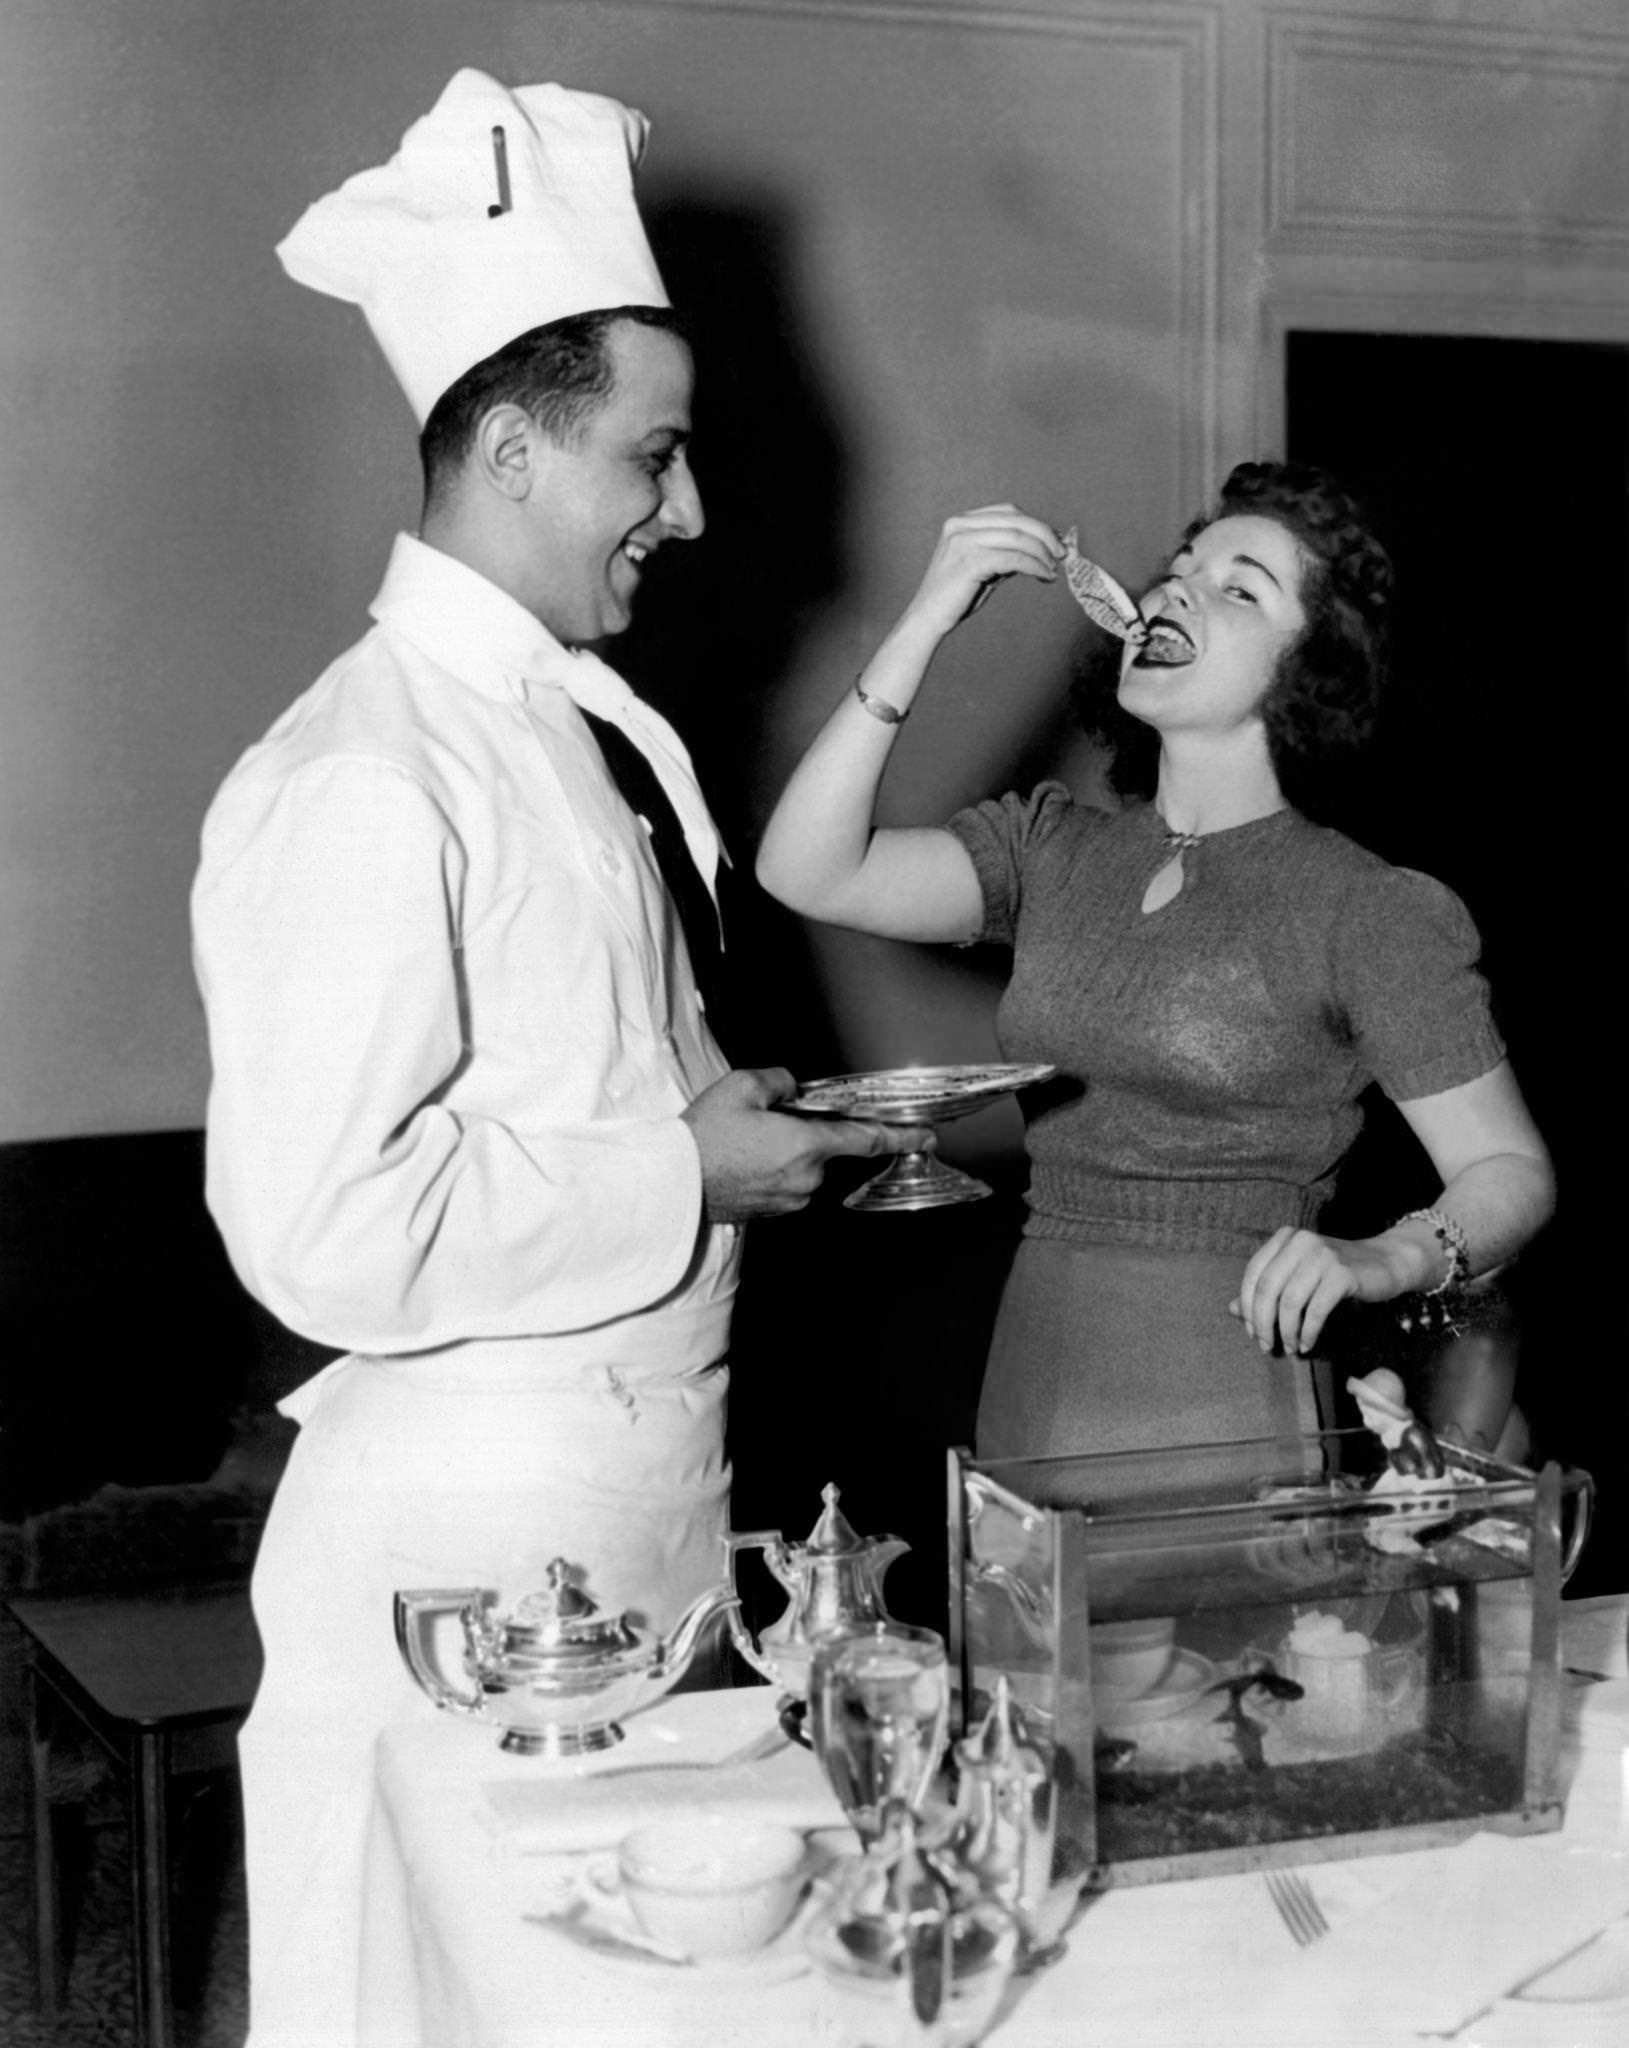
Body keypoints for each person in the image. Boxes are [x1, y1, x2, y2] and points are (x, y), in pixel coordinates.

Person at [191, 70, 920, 2046]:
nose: (686, 511)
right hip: (469, 1554)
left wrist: (742, 1128)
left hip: (641, 1494)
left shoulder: (589, 729)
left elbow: (600, 1080)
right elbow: (323, 1226)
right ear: (514, 449)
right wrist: (692, 1171)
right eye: (650, 457)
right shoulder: (361, 770)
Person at [756, 464, 1555, 1462]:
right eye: (1180, 567)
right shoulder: (1048, 846)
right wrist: (927, 617)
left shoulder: (1365, 907)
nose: (1176, 586)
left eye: (1239, 585)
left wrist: (1388, 1254)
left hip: (1222, 1396)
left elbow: (1510, 1168)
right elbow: (807, 867)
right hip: (1031, 1378)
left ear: (1307, 667)